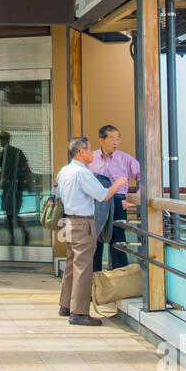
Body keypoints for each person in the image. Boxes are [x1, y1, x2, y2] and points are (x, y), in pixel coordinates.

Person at [57, 136, 128, 327]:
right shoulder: (83, 173)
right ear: (81, 152)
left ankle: (65, 305)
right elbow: (103, 195)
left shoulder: (64, 171)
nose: (92, 153)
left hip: (69, 221)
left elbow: (58, 195)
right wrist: (118, 184)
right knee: (83, 267)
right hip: (83, 222)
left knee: (72, 264)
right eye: (89, 150)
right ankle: (79, 312)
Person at [88, 125, 139, 271]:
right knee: (95, 242)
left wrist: (134, 199)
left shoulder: (126, 158)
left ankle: (120, 281)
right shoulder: (91, 157)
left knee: (118, 242)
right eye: (112, 139)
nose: (116, 142)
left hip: (118, 202)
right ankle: (94, 281)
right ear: (101, 140)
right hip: (97, 203)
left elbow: (143, 177)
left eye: (118, 139)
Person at [0, 131, 32, 245]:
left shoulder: (16, 153)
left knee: (13, 213)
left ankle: (24, 233)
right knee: (8, 214)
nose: (0, 141)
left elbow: (23, 169)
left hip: (15, 187)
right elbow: (3, 171)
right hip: (7, 188)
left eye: (2, 139)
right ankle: (13, 237)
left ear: (6, 139)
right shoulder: (2, 154)